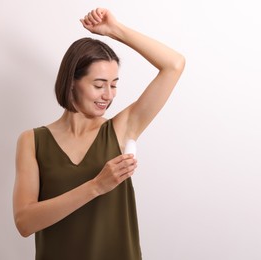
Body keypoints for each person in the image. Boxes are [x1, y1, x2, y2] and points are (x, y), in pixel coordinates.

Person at [12, 7, 185, 260]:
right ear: (72, 81)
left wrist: (115, 31)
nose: (109, 95)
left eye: (114, 85)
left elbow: (174, 65)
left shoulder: (121, 128)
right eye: (99, 85)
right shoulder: (33, 141)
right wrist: (95, 186)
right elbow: (24, 222)